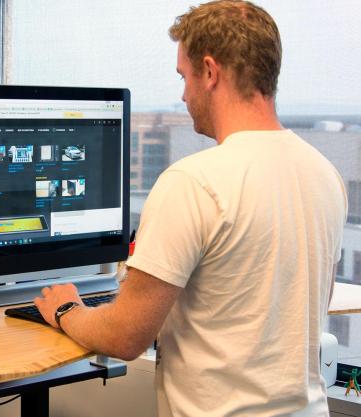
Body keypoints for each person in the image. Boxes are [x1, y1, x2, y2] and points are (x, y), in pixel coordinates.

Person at [34, 1, 347, 416]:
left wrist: (67, 308)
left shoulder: (194, 181)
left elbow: (126, 337)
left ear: (211, 72)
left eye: (185, 76)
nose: (183, 94)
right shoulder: (324, 174)